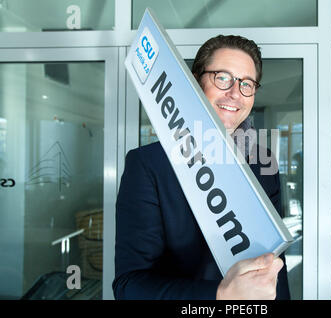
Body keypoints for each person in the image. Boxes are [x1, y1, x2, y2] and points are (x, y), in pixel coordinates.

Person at [113, 35, 290, 300]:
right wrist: (220, 295)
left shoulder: (263, 165)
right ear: (195, 81)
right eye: (222, 78)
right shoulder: (149, 166)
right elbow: (129, 286)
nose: (234, 93)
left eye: (246, 84)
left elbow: (275, 268)